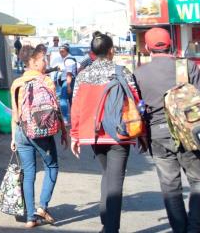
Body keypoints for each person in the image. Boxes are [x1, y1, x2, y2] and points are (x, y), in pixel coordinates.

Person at [71, 33, 141, 233]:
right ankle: (111, 228)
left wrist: (75, 135)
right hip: (120, 132)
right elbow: (135, 100)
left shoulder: (83, 74)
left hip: (93, 133)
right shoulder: (122, 72)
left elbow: (76, 106)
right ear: (111, 51)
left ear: (92, 52)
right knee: (115, 180)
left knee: (107, 173)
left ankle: (106, 221)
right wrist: (141, 133)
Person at [134, 27, 200, 233]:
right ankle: (195, 227)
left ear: (147, 47)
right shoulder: (187, 66)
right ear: (170, 43)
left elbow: (138, 109)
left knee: (170, 187)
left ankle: (179, 229)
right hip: (189, 134)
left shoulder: (139, 73)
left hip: (158, 135)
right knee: (197, 181)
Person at [10, 44, 68, 228]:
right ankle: (42, 207)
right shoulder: (46, 81)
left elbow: (15, 114)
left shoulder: (16, 83)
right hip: (41, 133)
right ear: (33, 62)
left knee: (29, 174)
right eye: (43, 59)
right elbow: (56, 109)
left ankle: (30, 218)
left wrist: (13, 137)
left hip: (21, 132)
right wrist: (64, 132)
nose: (46, 62)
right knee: (52, 166)